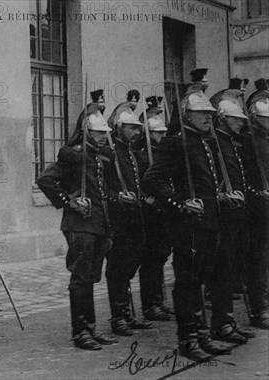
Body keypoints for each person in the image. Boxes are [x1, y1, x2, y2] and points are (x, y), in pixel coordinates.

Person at [142, 89, 232, 360]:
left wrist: (220, 196)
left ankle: (202, 335)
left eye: (209, 113)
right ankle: (188, 340)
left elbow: (208, 183)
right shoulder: (175, 143)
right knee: (187, 282)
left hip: (209, 224)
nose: (208, 117)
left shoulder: (205, 142)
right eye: (202, 113)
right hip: (188, 226)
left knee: (202, 280)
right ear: (187, 115)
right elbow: (151, 180)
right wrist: (180, 203)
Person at [36, 107, 118, 351]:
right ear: (87, 132)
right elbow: (45, 180)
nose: (104, 136)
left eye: (105, 132)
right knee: (81, 278)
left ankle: (90, 328)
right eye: (98, 132)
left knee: (91, 277)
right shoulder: (73, 155)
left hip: (98, 226)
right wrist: (68, 201)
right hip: (79, 226)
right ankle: (80, 332)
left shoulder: (100, 156)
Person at [207, 91, 256, 344]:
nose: (240, 122)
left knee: (233, 267)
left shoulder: (233, 143)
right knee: (222, 271)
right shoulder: (214, 143)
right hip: (222, 216)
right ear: (223, 119)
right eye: (235, 119)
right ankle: (221, 324)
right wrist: (221, 196)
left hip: (237, 214)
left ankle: (227, 320)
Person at [105, 109, 154, 335]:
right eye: (131, 128)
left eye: (137, 128)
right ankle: (119, 317)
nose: (136, 132)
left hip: (134, 216)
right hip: (116, 218)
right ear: (119, 128)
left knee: (134, 259)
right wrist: (116, 197)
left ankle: (128, 313)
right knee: (117, 268)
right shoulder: (110, 153)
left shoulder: (131, 153)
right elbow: (100, 188)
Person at [137, 97, 174, 321]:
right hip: (148, 213)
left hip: (164, 212)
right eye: (157, 133)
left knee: (161, 257)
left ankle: (159, 300)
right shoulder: (142, 156)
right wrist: (145, 198)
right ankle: (150, 305)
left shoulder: (163, 153)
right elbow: (136, 183)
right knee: (151, 259)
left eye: (163, 132)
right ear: (148, 133)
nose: (161, 136)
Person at [241, 91, 269, 330]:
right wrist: (256, 193)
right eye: (266, 118)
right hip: (257, 209)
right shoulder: (248, 140)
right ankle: (259, 308)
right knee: (258, 259)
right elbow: (242, 179)